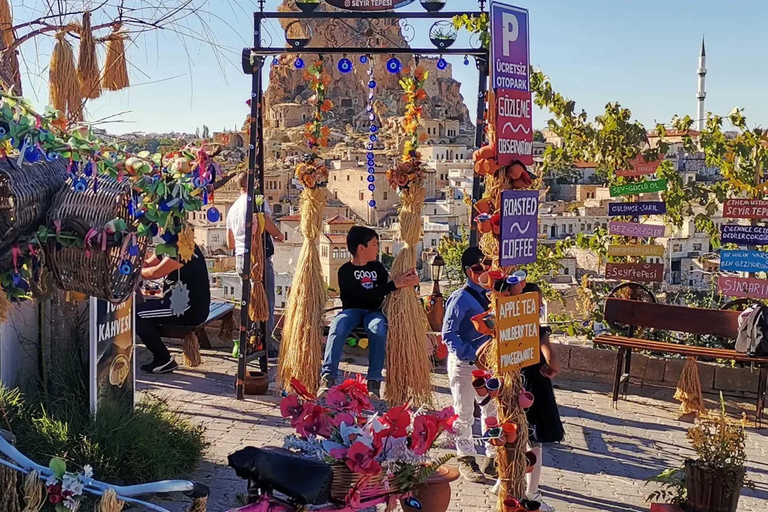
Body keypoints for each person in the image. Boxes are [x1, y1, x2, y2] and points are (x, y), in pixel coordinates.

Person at [319, 226, 418, 399]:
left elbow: (388, 289)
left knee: (378, 328)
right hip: (351, 311)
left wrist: (412, 282)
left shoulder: (378, 268)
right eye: (374, 244)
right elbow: (364, 295)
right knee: (338, 325)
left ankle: (374, 382)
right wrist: (394, 284)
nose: (377, 249)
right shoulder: (345, 271)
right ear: (361, 248)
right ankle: (328, 377)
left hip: (374, 312)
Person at [441, 246, 497, 483]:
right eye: (477, 268)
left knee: (491, 410)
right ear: (467, 271)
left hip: (490, 363)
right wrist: (471, 354)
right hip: (466, 363)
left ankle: (493, 457)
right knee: (464, 413)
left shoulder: (495, 294)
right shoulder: (460, 298)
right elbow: (448, 334)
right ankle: (466, 458)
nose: (483, 271)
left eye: (487, 265)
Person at [519, 281, 564, 512]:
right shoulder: (538, 331)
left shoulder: (508, 327)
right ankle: (532, 493)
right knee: (535, 441)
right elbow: (552, 361)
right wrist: (552, 365)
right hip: (534, 388)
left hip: (512, 385)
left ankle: (503, 483)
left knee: (514, 437)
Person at [226, 172, 284, 352]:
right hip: (258, 258)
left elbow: (230, 243)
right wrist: (278, 234)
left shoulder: (232, 208)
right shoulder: (257, 201)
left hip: (240, 258)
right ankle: (266, 344)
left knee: (249, 300)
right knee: (265, 301)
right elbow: (265, 221)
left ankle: (251, 342)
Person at [137, 243, 211, 374]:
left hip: (186, 309)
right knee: (141, 308)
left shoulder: (184, 249)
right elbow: (149, 264)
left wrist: (134, 272)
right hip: (176, 303)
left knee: (138, 315)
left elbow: (155, 273)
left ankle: (163, 359)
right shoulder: (169, 246)